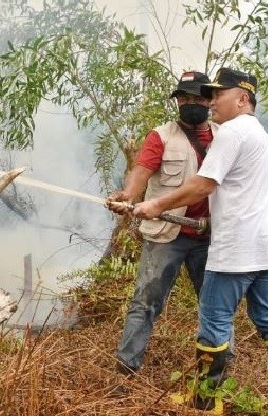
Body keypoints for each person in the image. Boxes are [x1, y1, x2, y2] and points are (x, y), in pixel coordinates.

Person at [133, 67, 268, 415]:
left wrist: (156, 204)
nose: (210, 103)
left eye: (217, 95)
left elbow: (203, 184)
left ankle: (206, 400)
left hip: (237, 250)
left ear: (242, 98)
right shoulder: (258, 133)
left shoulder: (232, 132)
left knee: (214, 318)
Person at [105, 71, 217, 377]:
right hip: (166, 235)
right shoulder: (162, 136)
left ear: (209, 100)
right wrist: (127, 195)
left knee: (215, 307)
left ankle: (213, 375)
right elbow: (141, 172)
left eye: (197, 98)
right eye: (184, 98)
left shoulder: (225, 136)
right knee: (146, 302)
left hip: (210, 237)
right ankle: (125, 370)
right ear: (178, 101)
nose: (190, 103)